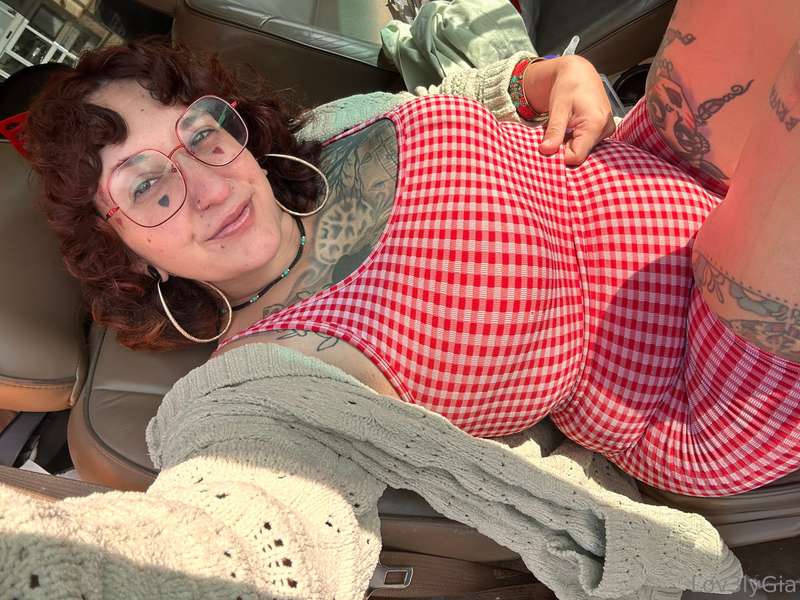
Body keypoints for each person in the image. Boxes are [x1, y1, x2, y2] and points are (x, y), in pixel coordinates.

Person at [23, 1, 799, 499]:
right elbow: (244, 512)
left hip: (656, 155)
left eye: (200, 133)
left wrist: (549, 76)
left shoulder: (333, 130)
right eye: (147, 186)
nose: (208, 185)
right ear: (124, 252)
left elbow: (473, 92)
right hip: (699, 371)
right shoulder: (277, 368)